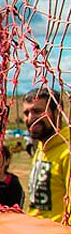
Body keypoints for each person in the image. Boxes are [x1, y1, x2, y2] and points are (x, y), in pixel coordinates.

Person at [23, 87, 70, 221]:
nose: (31, 118)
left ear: (57, 113)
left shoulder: (67, 152)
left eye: (37, 111)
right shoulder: (41, 147)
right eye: (26, 113)